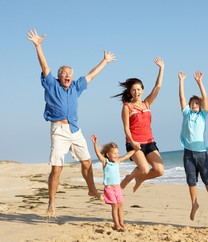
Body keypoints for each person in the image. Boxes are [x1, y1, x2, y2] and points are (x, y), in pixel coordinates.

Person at [27, 29, 116, 216]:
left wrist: (105, 61)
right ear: (59, 76)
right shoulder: (51, 84)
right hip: (59, 130)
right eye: (64, 73)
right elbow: (45, 67)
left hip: (75, 130)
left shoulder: (76, 86)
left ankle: (91, 189)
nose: (67, 75)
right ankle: (51, 203)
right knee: (57, 168)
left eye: (69, 73)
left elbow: (91, 75)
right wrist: (38, 46)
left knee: (87, 162)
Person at [113, 57, 165, 192]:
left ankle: (140, 178)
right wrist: (133, 142)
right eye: (133, 90)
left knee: (159, 171)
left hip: (149, 142)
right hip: (134, 143)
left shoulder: (147, 103)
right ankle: (129, 178)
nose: (136, 92)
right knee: (145, 169)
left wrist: (161, 68)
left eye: (138, 89)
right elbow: (125, 128)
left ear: (142, 90)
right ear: (130, 92)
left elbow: (157, 87)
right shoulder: (127, 107)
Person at [178, 71, 208, 221]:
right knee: (191, 180)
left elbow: (206, 98)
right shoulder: (187, 114)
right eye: (192, 103)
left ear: (200, 106)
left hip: (202, 153)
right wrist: (181, 81)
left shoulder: (203, 115)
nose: (194, 105)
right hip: (188, 153)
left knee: (207, 180)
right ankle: (194, 203)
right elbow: (182, 97)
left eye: (197, 103)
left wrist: (199, 82)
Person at [90, 135, 134, 231]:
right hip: (109, 189)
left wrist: (136, 149)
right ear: (107, 154)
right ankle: (116, 224)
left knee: (120, 205)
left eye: (117, 153)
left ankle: (121, 222)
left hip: (118, 188)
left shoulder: (117, 162)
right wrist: (95, 144)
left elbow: (127, 155)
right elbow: (98, 154)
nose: (116, 155)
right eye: (114, 153)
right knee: (114, 205)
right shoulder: (105, 162)